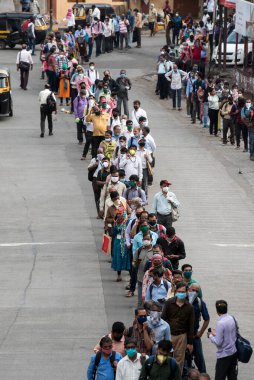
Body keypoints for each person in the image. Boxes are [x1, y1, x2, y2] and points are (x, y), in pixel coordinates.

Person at [161, 282, 195, 374]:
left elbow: (191, 326)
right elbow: (163, 319)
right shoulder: (168, 303)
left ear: (187, 292)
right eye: (179, 291)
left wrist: (190, 343)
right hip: (169, 335)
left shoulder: (190, 307)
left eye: (183, 291)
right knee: (165, 357)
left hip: (182, 336)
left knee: (179, 360)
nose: (181, 293)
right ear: (175, 292)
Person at [208, 300, 238, 380]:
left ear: (217, 310)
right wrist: (217, 334)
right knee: (232, 377)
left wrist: (210, 335)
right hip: (233, 352)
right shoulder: (232, 318)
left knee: (219, 377)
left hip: (224, 355)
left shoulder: (220, 323)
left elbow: (218, 342)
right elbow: (230, 333)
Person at [187, 283, 210, 373]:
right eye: (193, 290)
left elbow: (207, 319)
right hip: (183, 335)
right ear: (188, 289)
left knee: (199, 359)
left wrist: (200, 332)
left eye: (197, 291)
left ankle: (203, 376)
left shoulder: (200, 302)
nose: (195, 292)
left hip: (194, 336)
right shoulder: (182, 300)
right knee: (185, 360)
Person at [133, 233, 154, 306]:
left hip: (152, 279)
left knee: (150, 299)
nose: (146, 241)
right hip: (141, 278)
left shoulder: (155, 251)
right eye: (144, 239)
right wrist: (136, 263)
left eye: (148, 239)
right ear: (142, 240)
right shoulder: (139, 250)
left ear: (151, 240)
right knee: (140, 299)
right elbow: (134, 263)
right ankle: (140, 312)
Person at [111, 208, 131, 281]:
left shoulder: (128, 221)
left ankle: (130, 274)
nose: (119, 215)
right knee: (117, 257)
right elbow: (115, 232)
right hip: (118, 241)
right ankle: (119, 274)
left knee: (127, 257)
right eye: (118, 213)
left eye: (120, 213)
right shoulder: (116, 221)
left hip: (126, 240)